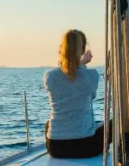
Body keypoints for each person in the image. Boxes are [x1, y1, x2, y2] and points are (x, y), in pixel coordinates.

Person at [44, 29, 105, 158]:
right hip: (85, 146)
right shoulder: (92, 75)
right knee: (112, 125)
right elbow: (91, 96)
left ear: (61, 49)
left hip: (55, 148)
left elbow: (66, 73)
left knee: (48, 124)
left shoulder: (49, 76)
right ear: (82, 51)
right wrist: (82, 63)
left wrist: (79, 63)